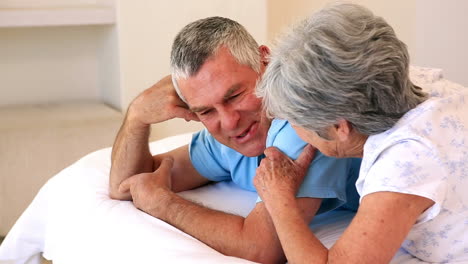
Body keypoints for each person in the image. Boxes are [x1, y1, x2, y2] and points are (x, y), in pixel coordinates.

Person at [109, 16, 361, 263]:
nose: (229, 122)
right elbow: (127, 184)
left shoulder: (304, 119)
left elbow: (261, 249)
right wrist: (136, 118)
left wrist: (163, 203)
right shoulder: (227, 136)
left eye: (235, 96)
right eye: (206, 111)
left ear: (265, 61)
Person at [255, 2, 468, 263]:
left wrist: (279, 201)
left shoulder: (404, 163)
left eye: (292, 119)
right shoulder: (406, 81)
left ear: (339, 127)